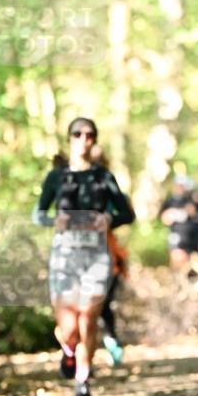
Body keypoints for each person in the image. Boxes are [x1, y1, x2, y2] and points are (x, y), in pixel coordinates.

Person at [33, 118, 135, 396]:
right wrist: (56, 220)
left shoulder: (103, 177)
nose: (84, 139)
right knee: (68, 328)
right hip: (65, 257)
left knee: (89, 318)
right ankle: (68, 350)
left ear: (95, 139)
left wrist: (107, 219)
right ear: (70, 138)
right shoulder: (57, 176)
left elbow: (127, 214)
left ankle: (83, 379)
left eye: (89, 134)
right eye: (77, 133)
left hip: (97, 257)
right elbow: (38, 214)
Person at [89, 144, 135, 366]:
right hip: (75, 256)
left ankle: (111, 340)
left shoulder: (110, 186)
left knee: (103, 302)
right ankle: (85, 356)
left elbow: (127, 214)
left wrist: (108, 219)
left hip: (108, 252)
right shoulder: (71, 184)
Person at [159, 173, 198, 279]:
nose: (180, 188)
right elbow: (163, 218)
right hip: (176, 236)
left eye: (182, 185)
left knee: (192, 262)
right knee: (177, 258)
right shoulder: (170, 201)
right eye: (178, 185)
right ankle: (177, 279)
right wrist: (171, 214)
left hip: (192, 236)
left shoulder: (192, 198)